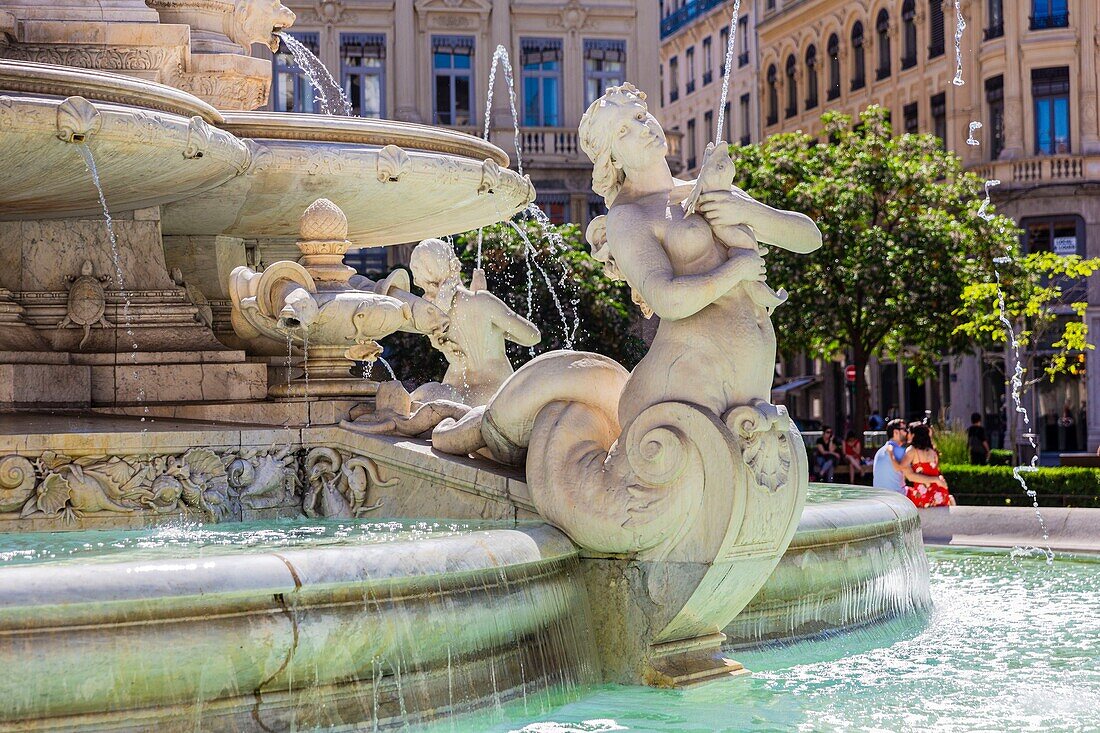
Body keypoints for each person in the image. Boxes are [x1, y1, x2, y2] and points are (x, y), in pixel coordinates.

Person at [872, 419, 949, 495]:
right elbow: (910, 476)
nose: (907, 432)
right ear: (895, 432)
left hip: (879, 496)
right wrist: (936, 479)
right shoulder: (900, 451)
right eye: (904, 429)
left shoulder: (879, 452)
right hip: (896, 496)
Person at [899, 423, 955, 507]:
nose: (907, 434)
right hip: (940, 494)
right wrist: (936, 480)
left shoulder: (912, 450)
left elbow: (910, 476)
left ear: (914, 435)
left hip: (924, 495)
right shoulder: (933, 451)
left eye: (909, 432)